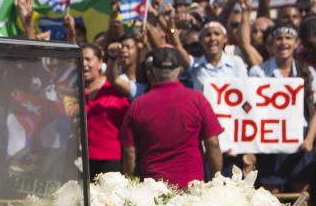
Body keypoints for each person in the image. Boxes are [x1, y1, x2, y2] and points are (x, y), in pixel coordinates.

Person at [120, 46, 223, 187]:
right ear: (180, 69)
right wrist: (215, 183)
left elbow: (129, 151)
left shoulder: (138, 105)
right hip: (192, 190)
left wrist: (131, 185)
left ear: (152, 71)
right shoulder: (197, 100)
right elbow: (213, 144)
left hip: (153, 191)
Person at [247, 26, 316, 194]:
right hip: (268, 139)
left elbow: (315, 111)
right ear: (271, 45)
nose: (283, 42)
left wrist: (309, 139)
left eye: (288, 38)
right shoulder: (258, 72)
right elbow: (250, 111)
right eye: (278, 38)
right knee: (271, 197)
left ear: (297, 43)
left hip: (299, 139)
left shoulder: (307, 71)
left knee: (301, 196)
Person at [82, 44, 128, 177]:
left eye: (88, 59)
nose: (84, 64)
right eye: (80, 60)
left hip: (111, 160)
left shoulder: (114, 90)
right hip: (82, 160)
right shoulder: (75, 92)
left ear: (100, 62)